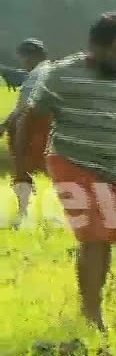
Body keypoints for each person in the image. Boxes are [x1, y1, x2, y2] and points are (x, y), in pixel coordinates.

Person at [15, 13, 116, 330]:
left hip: (112, 169)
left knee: (106, 239)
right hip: (71, 162)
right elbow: (29, 122)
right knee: (93, 236)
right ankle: (92, 314)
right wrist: (22, 170)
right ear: (95, 47)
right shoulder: (61, 75)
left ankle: (93, 306)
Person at [3, 39, 52, 227]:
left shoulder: (38, 74)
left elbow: (24, 107)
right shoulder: (49, 71)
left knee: (23, 171)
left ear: (34, 56)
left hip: (32, 131)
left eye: (25, 57)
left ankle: (24, 212)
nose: (24, 62)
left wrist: (5, 125)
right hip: (45, 130)